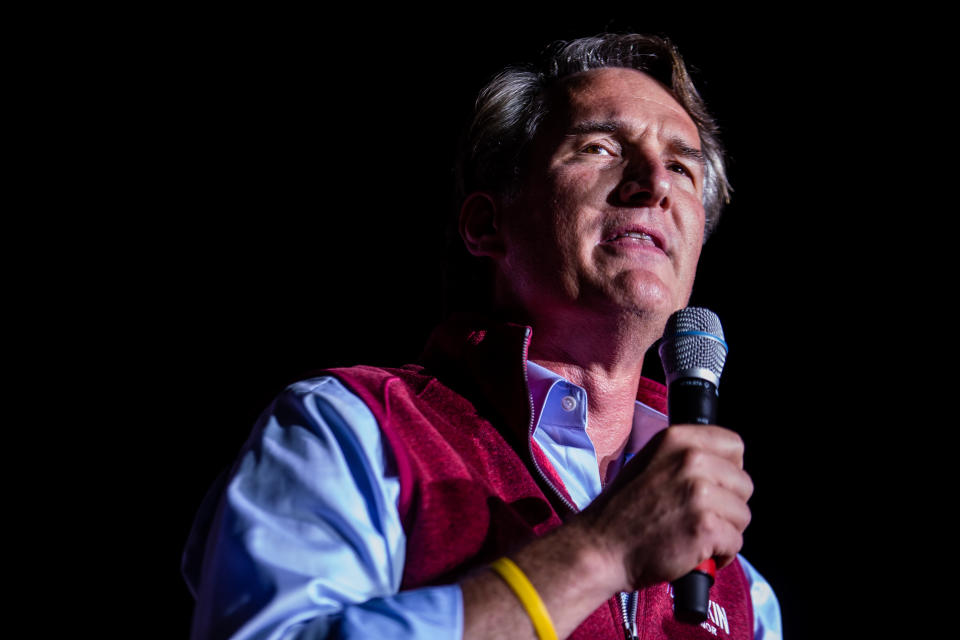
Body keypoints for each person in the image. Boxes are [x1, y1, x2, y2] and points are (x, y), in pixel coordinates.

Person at [183, 34, 782, 640]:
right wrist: (600, 553)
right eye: (600, 147)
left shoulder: (745, 594)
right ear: (486, 223)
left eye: (681, 167)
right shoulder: (354, 428)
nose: (653, 183)